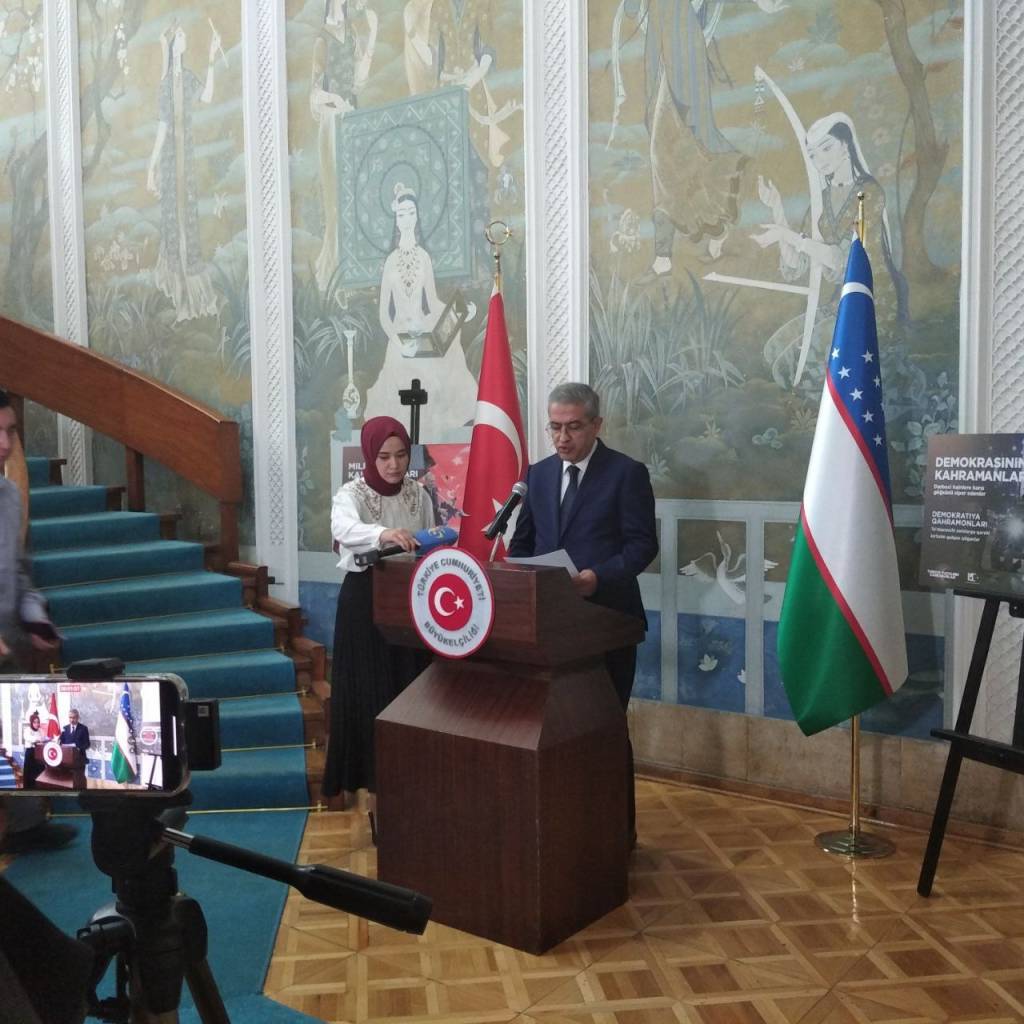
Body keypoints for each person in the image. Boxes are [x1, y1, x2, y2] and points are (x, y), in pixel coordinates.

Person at [509, 383, 658, 846]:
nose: (562, 438)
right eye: (554, 427)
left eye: (573, 427)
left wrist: (598, 577)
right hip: (551, 628)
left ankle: (617, 835)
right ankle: (567, 834)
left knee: (604, 729)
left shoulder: (626, 474)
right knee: (557, 734)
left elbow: (642, 546)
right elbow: (522, 544)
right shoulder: (536, 475)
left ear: (596, 425)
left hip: (607, 622)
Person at [323, 416, 436, 840]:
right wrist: (384, 533)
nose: (393, 465)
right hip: (365, 606)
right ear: (370, 456)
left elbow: (428, 539)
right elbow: (343, 529)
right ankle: (378, 806)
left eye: (401, 455)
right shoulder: (351, 494)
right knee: (372, 698)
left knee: (411, 694)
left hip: (410, 603)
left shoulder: (418, 492)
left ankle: (414, 798)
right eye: (384, 456)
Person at [0, 390, 74, 853]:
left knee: (23, 729)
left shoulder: (9, 496)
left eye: (10, 431)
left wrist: (35, 618)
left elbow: (19, 574)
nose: (5, 444)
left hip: (6, 642)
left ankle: (26, 826)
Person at [363, 184, 478, 438]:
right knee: (399, 386)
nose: (406, 219)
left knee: (434, 383)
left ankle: (427, 450)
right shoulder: (390, 262)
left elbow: (432, 301)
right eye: (401, 214)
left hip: (422, 334)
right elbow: (384, 315)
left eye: (411, 213)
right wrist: (398, 343)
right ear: (396, 219)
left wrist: (459, 313)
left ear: (417, 217)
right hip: (399, 339)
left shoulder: (424, 258)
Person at [146, 22, 221, 322]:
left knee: (187, 224)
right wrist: (151, 167)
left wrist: (212, 58)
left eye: (184, 35)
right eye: (180, 35)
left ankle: (194, 298)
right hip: (169, 164)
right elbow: (162, 129)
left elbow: (208, 96)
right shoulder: (165, 86)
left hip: (185, 165)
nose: (185, 38)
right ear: (173, 44)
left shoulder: (188, 78)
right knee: (173, 225)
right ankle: (180, 300)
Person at [21, 711, 45, 789]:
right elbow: (28, 738)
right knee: (30, 773)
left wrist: (42, 740)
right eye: (34, 722)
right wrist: (37, 739)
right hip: (30, 754)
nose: (37, 724)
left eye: (38, 722)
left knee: (39, 772)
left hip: (39, 754)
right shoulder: (27, 730)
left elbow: (43, 739)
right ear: (31, 723)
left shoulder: (41, 731)